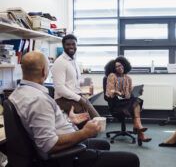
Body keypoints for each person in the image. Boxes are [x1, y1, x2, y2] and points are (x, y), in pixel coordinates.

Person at [9, 51, 140, 167]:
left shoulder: (18, 93)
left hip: (63, 143)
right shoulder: (38, 100)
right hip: (65, 157)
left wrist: (69, 120)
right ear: (44, 71)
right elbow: (49, 144)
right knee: (131, 159)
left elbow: (42, 124)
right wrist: (85, 132)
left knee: (103, 144)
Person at [51, 34, 100, 128]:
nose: (71, 47)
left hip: (75, 97)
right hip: (64, 100)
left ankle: (88, 140)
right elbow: (60, 88)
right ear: (63, 46)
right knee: (91, 126)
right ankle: (85, 141)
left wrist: (86, 82)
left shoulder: (73, 61)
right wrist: (79, 99)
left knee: (97, 120)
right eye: (68, 44)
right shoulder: (60, 62)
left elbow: (73, 81)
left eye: (73, 44)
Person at [105, 56, 152, 145]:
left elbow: (130, 94)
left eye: (121, 65)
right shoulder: (112, 76)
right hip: (116, 103)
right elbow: (109, 91)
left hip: (126, 102)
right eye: (117, 66)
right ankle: (139, 128)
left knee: (136, 99)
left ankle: (138, 127)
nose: (120, 67)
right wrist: (116, 92)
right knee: (136, 101)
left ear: (125, 65)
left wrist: (138, 92)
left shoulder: (128, 78)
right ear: (113, 68)